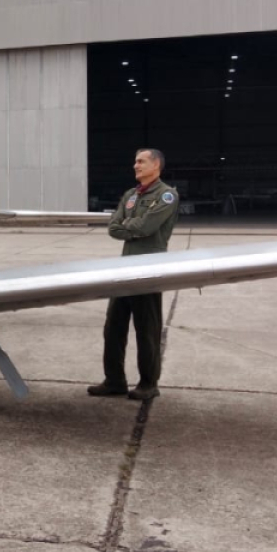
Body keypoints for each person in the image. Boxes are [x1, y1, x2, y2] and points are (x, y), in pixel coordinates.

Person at [88, 148, 179, 401]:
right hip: (124, 269)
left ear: (156, 165)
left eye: (141, 161)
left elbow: (148, 226)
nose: (135, 166)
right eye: (135, 161)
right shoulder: (130, 195)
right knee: (113, 327)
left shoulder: (167, 195)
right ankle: (114, 381)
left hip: (148, 269)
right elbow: (113, 227)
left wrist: (129, 226)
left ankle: (149, 383)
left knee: (146, 329)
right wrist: (133, 227)